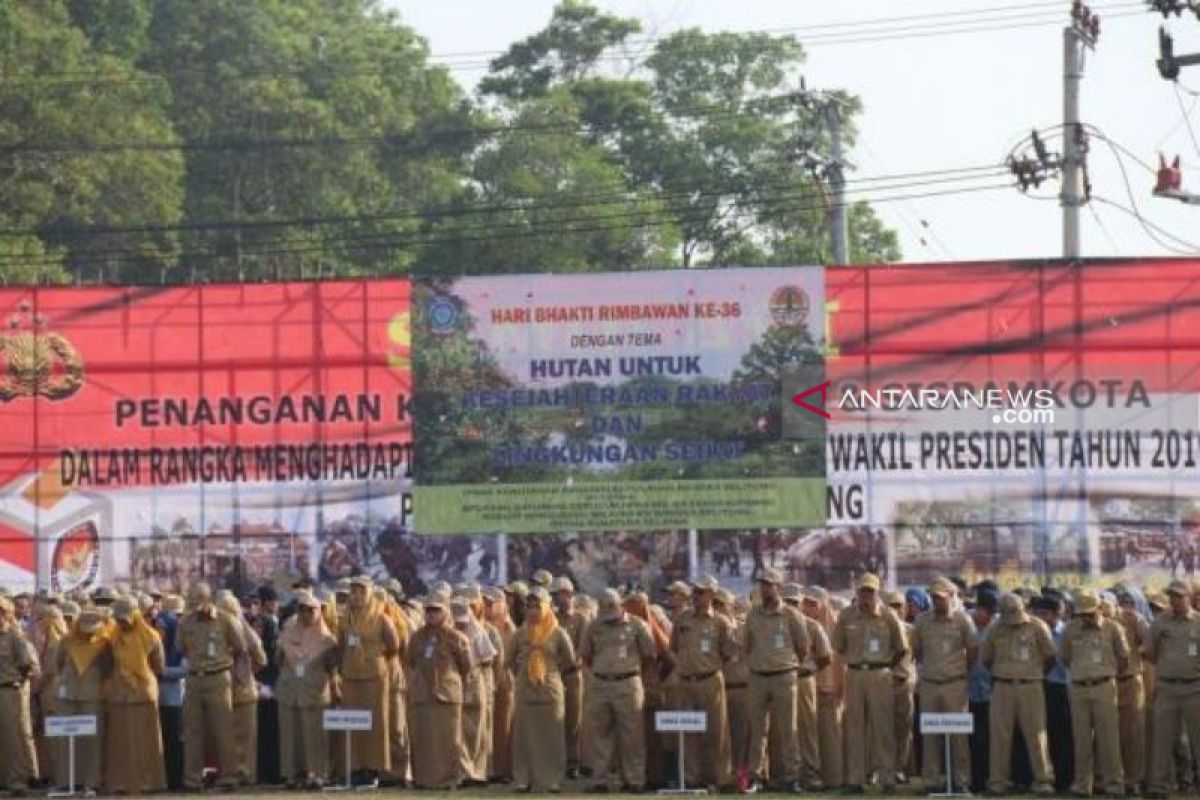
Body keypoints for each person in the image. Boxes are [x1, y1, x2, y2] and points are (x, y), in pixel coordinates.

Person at [831, 573, 907, 794]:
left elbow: (901, 648)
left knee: (883, 728)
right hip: (854, 674)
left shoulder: (889, 616)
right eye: (863, 591)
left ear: (877, 592)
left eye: (870, 591)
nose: (866, 596)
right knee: (854, 728)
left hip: (880, 674)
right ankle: (856, 780)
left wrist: (884, 667)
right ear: (857, 592)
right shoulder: (846, 616)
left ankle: (887, 778)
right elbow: (838, 645)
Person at [980, 592, 1055, 796]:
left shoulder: (1037, 626)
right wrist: (1003, 673)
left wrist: (1033, 675)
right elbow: (985, 658)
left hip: (1031, 686)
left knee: (1037, 734)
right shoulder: (995, 628)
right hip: (1002, 687)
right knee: (999, 736)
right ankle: (998, 782)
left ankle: (1043, 780)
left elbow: (1050, 657)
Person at [581, 588, 655, 792]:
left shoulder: (637, 625)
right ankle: (600, 780)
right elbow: (586, 655)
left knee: (633, 735)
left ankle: (635, 779)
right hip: (600, 683)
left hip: (628, 683)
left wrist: (636, 675)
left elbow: (650, 654)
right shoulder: (594, 626)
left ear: (621, 605)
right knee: (599, 734)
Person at [743, 567, 809, 792]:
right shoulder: (752, 614)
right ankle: (757, 777)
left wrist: (786, 664)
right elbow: (746, 645)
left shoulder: (792, 615)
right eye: (762, 584)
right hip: (758, 676)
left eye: (769, 584)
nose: (764, 589)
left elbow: (803, 647)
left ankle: (793, 777)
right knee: (758, 729)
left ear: (778, 588)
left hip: (784, 675)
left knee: (788, 728)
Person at [1058, 588, 1128, 797]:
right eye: (1082, 613)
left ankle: (1114, 785)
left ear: (1098, 608)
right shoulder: (1070, 629)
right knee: (1081, 740)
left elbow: (1123, 658)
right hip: (1079, 688)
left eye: (1089, 613)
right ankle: (1082, 785)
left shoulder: (1113, 628)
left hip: (1104, 686)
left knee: (1109, 740)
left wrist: (1106, 674)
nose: (1086, 617)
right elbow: (1064, 658)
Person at [670, 575, 737, 792]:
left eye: (701, 592)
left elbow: (729, 652)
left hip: (710, 679)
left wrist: (711, 667)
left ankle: (720, 777)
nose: (696, 596)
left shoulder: (721, 622)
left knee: (717, 730)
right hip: (686, 680)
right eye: (695, 592)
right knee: (688, 729)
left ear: (711, 595)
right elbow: (673, 647)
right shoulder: (682, 619)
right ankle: (691, 777)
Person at [178, 581, 245, 791]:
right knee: (192, 731)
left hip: (218, 678)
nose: (195, 607)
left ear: (208, 601)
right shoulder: (185, 622)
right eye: (191, 603)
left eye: (198, 602)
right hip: (194, 678)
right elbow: (181, 648)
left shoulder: (226, 620)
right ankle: (192, 779)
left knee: (223, 729)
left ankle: (229, 776)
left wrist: (236, 678)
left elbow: (240, 648)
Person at [912, 576, 976, 792]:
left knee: (959, 736)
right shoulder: (922, 621)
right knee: (930, 735)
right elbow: (917, 651)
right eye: (933, 597)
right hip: (930, 684)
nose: (937, 601)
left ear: (951, 596)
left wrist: (958, 671)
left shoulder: (963, 620)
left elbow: (973, 651)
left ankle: (961, 781)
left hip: (954, 684)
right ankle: (931, 781)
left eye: (940, 598)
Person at [511, 586, 576, 793]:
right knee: (524, 735)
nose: (532, 611)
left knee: (552, 736)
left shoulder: (558, 633)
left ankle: (552, 780)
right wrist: (523, 672)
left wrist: (551, 673)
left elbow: (570, 660)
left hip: (550, 689)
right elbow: (508, 659)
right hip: (526, 689)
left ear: (547, 607)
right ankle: (524, 779)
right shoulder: (520, 633)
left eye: (537, 606)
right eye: (529, 606)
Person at [337, 575, 399, 788]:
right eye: (353, 591)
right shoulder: (345, 619)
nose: (356, 595)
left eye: (361, 591)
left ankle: (373, 768)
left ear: (370, 593)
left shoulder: (381, 618)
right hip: (350, 676)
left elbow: (394, 645)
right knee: (353, 721)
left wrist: (374, 658)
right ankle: (356, 767)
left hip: (374, 676)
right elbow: (340, 645)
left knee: (375, 722)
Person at [406, 590, 472, 790]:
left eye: (436, 610)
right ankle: (423, 780)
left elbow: (465, 664)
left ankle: (449, 780)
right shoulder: (417, 637)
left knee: (449, 739)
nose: (431, 614)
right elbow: (410, 660)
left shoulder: (456, 637)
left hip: (447, 694)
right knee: (423, 737)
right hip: (423, 694)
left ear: (445, 612)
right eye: (428, 610)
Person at [276, 590, 338, 790]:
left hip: (315, 692)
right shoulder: (287, 633)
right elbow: (277, 659)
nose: (306, 614)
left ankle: (318, 775)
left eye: (311, 610)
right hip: (289, 691)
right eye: (302, 610)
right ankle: (292, 775)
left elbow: (333, 666)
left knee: (316, 736)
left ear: (318, 611)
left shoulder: (328, 640)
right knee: (290, 736)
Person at [1144, 579, 1200, 799]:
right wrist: (1170, 667)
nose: (1174, 601)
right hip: (1167, 687)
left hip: (1195, 688)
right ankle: (1159, 785)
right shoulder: (1160, 622)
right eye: (1171, 597)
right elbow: (1150, 652)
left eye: (1178, 596)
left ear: (1189, 597)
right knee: (1163, 739)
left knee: (1198, 738)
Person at [105, 597, 167, 794]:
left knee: (146, 740)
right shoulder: (112, 637)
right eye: (118, 619)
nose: (121, 623)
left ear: (135, 615)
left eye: (124, 618)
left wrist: (139, 674)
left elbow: (159, 666)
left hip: (143, 694)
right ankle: (120, 782)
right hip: (120, 695)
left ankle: (149, 781)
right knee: (120, 740)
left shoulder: (151, 637)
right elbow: (108, 664)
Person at [53, 606, 110, 794]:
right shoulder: (67, 641)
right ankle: (65, 780)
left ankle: (90, 782)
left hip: (92, 696)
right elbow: (58, 663)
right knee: (64, 739)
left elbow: (108, 670)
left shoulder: (104, 643)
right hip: (67, 695)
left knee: (92, 741)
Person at [782, 583, 832, 791]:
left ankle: (811, 775)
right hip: (783, 680)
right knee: (786, 730)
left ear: (802, 603)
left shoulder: (812, 626)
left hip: (803, 680)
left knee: (807, 729)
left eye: (795, 602)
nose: (792, 606)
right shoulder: (777, 625)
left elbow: (825, 656)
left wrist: (808, 670)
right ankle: (788, 775)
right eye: (788, 602)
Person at [217, 592, 267, 786]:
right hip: (223, 691)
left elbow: (261, 659)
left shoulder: (246, 633)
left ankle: (245, 775)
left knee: (245, 738)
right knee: (227, 737)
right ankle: (230, 775)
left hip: (243, 691)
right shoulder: (218, 631)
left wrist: (247, 672)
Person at [452, 591, 499, 787]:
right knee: (459, 731)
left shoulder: (479, 633)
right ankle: (464, 772)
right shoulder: (448, 633)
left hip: (475, 682)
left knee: (477, 731)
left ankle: (478, 772)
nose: (460, 625)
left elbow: (489, 659)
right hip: (455, 685)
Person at [0, 595, 39, 794]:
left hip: (9, 691)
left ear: (6, 615)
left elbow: (27, 664)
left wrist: (18, 682)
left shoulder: (15, 637)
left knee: (13, 737)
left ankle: (17, 780)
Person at [551, 576, 587, 779]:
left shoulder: (580, 618)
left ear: (569, 594)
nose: (558, 599)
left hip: (573, 675)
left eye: (561, 594)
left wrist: (573, 662)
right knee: (555, 718)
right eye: (555, 595)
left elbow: (583, 647)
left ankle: (573, 763)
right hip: (555, 675)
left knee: (574, 719)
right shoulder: (552, 618)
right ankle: (557, 760)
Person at [1115, 587, 1150, 793]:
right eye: (1123, 601)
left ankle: (1134, 779)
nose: (1126, 606)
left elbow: (1149, 645)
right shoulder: (1109, 621)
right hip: (1110, 682)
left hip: (1132, 680)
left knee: (1133, 734)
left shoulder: (1137, 621)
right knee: (1111, 735)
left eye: (1130, 602)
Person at [483, 586, 516, 783]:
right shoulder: (482, 627)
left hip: (504, 679)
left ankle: (504, 769)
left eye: (491, 604)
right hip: (488, 680)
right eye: (485, 604)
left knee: (503, 726)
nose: (487, 608)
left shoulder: (508, 629)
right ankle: (490, 767)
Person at [884, 590, 917, 785]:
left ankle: (899, 768)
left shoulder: (912, 631)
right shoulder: (878, 629)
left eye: (898, 606)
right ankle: (882, 768)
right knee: (881, 729)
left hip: (904, 683)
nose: (895, 610)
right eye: (891, 606)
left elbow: (919, 653)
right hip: (883, 683)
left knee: (904, 729)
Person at [155, 594, 187, 791]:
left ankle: (176, 779)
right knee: (168, 741)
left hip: (175, 697)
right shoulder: (161, 636)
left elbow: (185, 668)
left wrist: (159, 672)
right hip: (164, 698)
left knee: (175, 740)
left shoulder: (179, 638)